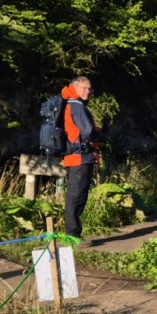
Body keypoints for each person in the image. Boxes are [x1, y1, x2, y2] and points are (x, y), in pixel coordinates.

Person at [61, 76, 104, 240]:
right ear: (75, 87)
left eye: (89, 89)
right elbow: (87, 132)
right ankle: (72, 235)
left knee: (76, 195)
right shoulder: (76, 106)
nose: (88, 91)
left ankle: (73, 234)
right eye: (84, 88)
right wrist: (100, 135)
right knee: (76, 196)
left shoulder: (70, 104)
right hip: (80, 157)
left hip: (75, 156)